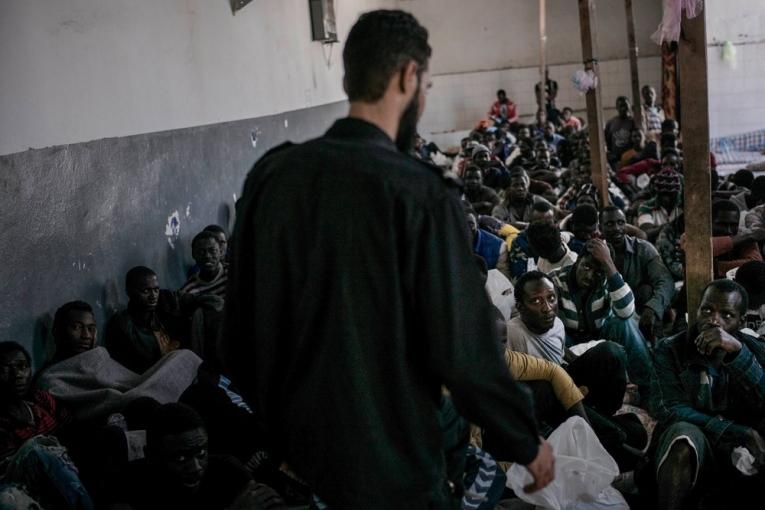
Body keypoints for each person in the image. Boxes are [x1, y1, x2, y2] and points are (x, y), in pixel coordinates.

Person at [223, 10, 553, 509]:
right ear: (407, 77)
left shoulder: (272, 179)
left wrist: (294, 432)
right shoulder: (419, 195)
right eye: (426, 85)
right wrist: (523, 438)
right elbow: (464, 346)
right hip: (399, 463)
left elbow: (240, 339)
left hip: (314, 467)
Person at [507, 272, 648, 470]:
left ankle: (602, 418)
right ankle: (604, 435)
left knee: (611, 352)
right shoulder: (513, 333)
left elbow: (560, 352)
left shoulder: (556, 323)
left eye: (551, 298)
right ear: (520, 308)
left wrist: (586, 367)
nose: (547, 308)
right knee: (624, 436)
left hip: (565, 386)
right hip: (544, 403)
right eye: (536, 301)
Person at [649, 280, 765, 509]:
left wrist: (738, 354)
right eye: (707, 310)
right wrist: (738, 432)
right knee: (682, 437)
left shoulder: (754, 349)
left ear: (741, 322)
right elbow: (668, 408)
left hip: (744, 450)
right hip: (702, 441)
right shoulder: (670, 348)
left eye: (726, 315)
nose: (714, 320)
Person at [108, 402, 285, 510]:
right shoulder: (127, 485)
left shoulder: (228, 471)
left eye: (201, 454)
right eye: (180, 459)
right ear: (151, 455)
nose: (196, 467)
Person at [550, 239, 654, 405]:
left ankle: (646, 389)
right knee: (554, 336)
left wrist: (609, 266)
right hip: (568, 342)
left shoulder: (608, 280)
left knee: (624, 324)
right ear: (577, 261)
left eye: (598, 271)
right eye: (586, 266)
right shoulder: (555, 280)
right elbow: (549, 328)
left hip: (601, 337)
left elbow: (627, 311)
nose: (590, 275)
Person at [601, 206, 674, 343]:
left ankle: (654, 345)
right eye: (610, 224)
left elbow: (665, 281)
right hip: (610, 316)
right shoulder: (596, 253)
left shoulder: (643, 248)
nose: (617, 228)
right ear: (600, 227)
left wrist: (652, 308)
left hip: (642, 313)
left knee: (646, 290)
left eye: (621, 222)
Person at [105, 266, 186, 374]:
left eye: (156, 290)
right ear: (129, 292)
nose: (153, 296)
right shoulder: (122, 324)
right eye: (146, 291)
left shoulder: (163, 306)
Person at [707, 199, 765, 278]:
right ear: (709, 223)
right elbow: (700, 249)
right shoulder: (695, 234)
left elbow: (755, 265)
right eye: (722, 225)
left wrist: (715, 267)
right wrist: (736, 240)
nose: (729, 231)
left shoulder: (742, 234)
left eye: (733, 225)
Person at [636, 167, 683, 242]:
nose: (665, 199)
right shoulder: (646, 206)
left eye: (669, 195)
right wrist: (672, 225)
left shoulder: (685, 206)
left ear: (677, 194)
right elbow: (645, 234)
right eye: (662, 194)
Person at [605, 97, 637, 168]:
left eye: (625, 105)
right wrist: (610, 154)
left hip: (630, 158)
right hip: (615, 158)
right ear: (616, 107)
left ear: (629, 106)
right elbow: (607, 140)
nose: (623, 108)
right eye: (620, 106)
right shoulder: (611, 123)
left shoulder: (633, 121)